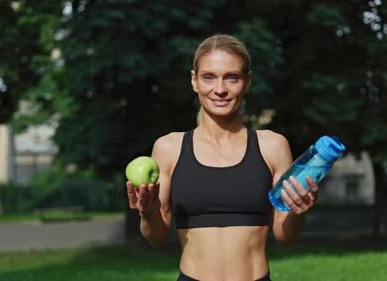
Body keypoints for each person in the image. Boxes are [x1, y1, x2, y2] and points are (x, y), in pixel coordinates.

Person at [126, 34, 319, 281]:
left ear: (247, 82)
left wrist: (298, 212)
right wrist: (148, 213)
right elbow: (157, 238)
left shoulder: (272, 146)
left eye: (232, 77)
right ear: (194, 81)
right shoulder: (168, 148)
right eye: (209, 77)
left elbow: (286, 237)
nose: (220, 90)